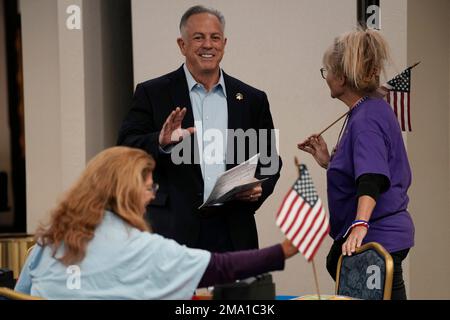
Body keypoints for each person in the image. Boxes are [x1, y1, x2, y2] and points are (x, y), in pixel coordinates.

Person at [14, 147, 297, 299]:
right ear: (126, 192)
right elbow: (220, 267)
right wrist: (284, 250)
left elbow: (20, 295)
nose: (151, 197)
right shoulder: (137, 247)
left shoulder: (50, 239)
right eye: (149, 188)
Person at [117, 5, 282, 253]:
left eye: (215, 37)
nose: (208, 45)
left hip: (233, 231)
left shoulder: (251, 99)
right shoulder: (152, 93)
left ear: (224, 44)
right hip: (171, 233)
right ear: (182, 45)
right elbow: (125, 147)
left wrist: (258, 187)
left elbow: (270, 160)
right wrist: (160, 141)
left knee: (238, 294)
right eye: (198, 37)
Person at [297, 29, 414, 300]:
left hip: (377, 237)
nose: (325, 77)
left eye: (326, 70)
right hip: (385, 234)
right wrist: (329, 162)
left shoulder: (365, 120)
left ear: (341, 77)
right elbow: (366, 166)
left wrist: (360, 224)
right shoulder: (370, 108)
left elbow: (372, 177)